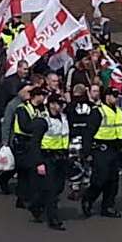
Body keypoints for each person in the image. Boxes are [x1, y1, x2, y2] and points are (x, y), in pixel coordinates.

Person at [81, 88, 122, 219]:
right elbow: (88, 133)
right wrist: (86, 152)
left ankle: (108, 206)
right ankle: (88, 198)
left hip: (115, 148)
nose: (117, 98)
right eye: (114, 96)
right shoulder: (98, 111)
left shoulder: (119, 112)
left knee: (113, 180)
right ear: (107, 96)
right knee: (100, 178)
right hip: (101, 148)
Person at [31, 94, 70, 230]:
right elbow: (34, 143)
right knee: (51, 190)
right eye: (58, 104)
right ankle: (53, 219)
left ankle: (35, 205)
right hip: (46, 157)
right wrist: (38, 163)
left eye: (61, 104)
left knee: (59, 187)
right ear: (51, 104)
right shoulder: (43, 121)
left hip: (61, 157)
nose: (60, 107)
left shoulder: (64, 118)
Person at [11, 86, 47, 209]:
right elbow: (24, 126)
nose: (43, 98)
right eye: (41, 95)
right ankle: (22, 198)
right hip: (23, 143)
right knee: (24, 171)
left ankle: (28, 197)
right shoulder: (22, 108)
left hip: (36, 142)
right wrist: (39, 125)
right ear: (35, 96)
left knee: (31, 172)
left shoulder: (42, 109)